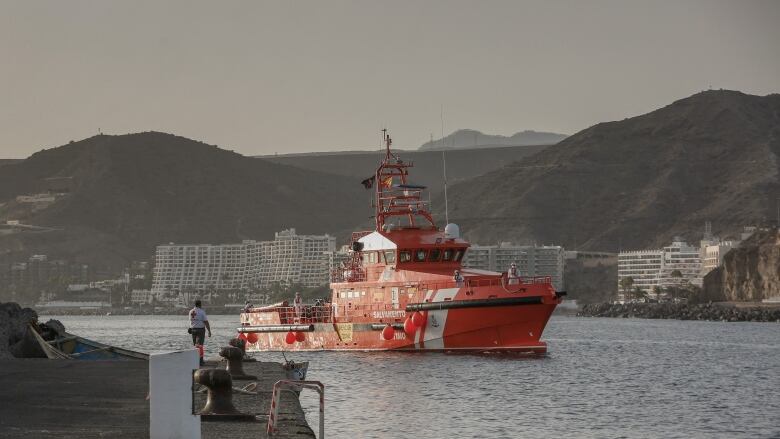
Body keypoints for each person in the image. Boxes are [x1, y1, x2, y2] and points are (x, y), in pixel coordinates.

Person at [189, 300, 211, 366]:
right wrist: (209, 331)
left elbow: (191, 321)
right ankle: (200, 361)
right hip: (200, 330)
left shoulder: (191, 311)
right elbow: (206, 322)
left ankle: (195, 360)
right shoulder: (201, 312)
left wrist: (190, 328)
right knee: (200, 346)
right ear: (200, 305)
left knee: (195, 345)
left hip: (193, 330)